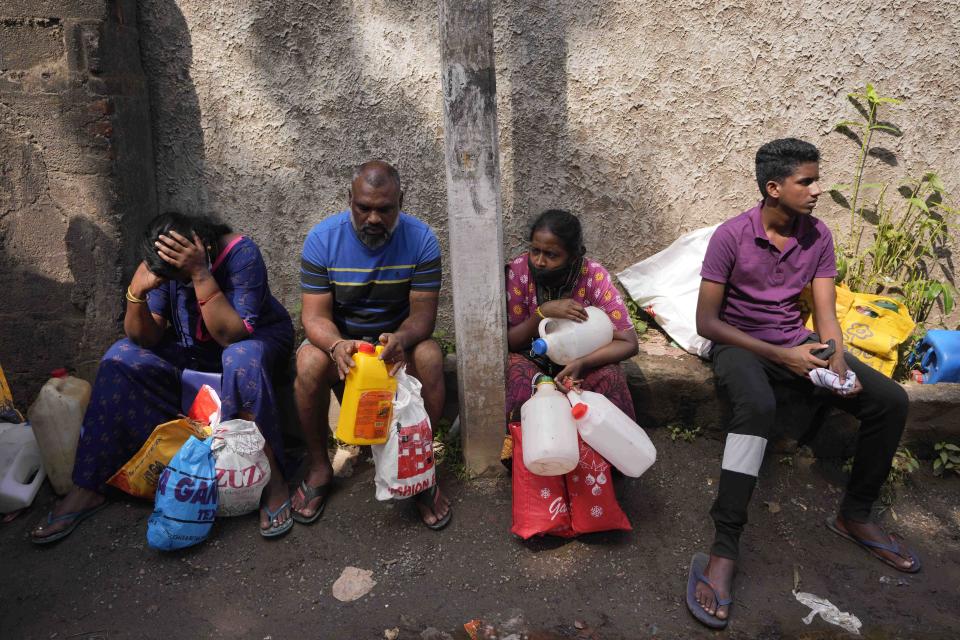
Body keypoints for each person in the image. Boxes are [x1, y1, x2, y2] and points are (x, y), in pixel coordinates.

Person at [686, 138, 918, 629]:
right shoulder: (731, 236)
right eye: (806, 181)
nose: (816, 190)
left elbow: (827, 315)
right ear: (774, 188)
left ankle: (854, 515)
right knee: (757, 409)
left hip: (798, 343)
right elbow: (707, 322)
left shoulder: (818, 236)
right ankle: (723, 549)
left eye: (816, 179)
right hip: (741, 346)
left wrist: (835, 363)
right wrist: (782, 357)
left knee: (890, 401)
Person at [31, 212, 296, 543]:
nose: (178, 284)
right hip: (193, 350)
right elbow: (145, 337)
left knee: (241, 358)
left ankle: (273, 481)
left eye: (182, 275)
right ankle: (89, 487)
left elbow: (232, 335)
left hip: (250, 341)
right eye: (174, 278)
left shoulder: (240, 254)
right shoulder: (164, 265)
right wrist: (136, 294)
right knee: (120, 357)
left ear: (205, 247)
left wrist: (199, 273)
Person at [293, 160, 451, 529]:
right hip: (343, 345)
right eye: (364, 207)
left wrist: (402, 338)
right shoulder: (321, 239)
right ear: (349, 199)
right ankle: (319, 468)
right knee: (308, 363)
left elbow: (423, 317)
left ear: (402, 201)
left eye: (385, 209)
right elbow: (314, 317)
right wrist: (335, 345)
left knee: (429, 355)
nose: (374, 218)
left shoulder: (422, 240)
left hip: (394, 345)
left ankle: (420, 471)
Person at [505, 209, 639, 429]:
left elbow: (628, 342)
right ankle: (521, 456)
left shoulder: (593, 277)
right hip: (532, 360)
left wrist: (582, 363)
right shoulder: (519, 271)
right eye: (535, 250)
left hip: (581, 364)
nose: (539, 261)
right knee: (516, 373)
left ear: (574, 256)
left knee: (610, 376)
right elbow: (511, 342)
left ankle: (609, 458)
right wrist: (543, 312)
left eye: (551, 255)